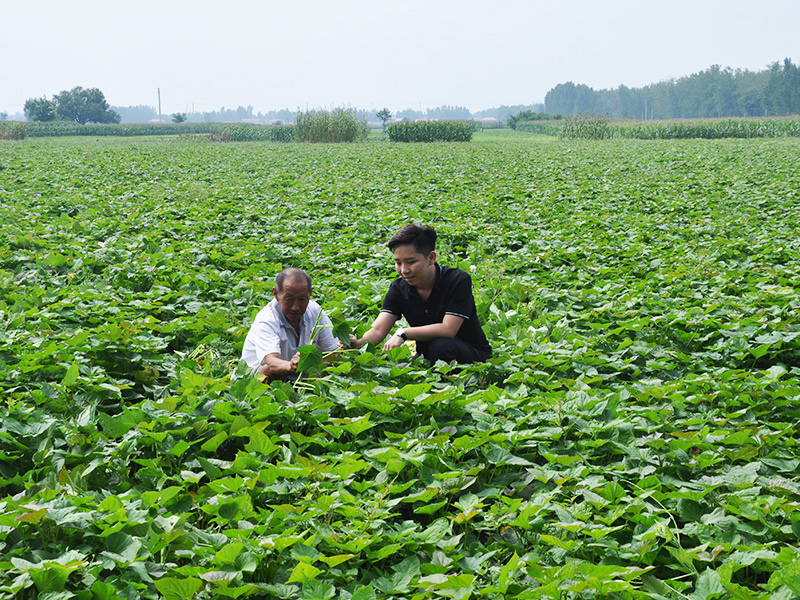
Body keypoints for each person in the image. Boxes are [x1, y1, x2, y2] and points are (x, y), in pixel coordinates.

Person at [349, 224, 491, 364]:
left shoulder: (457, 281)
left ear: (431, 258)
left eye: (410, 262)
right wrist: (358, 343)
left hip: (471, 352)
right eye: (398, 263)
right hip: (427, 355)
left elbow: (448, 329)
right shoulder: (398, 289)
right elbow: (379, 329)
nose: (404, 270)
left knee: (441, 345)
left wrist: (404, 333)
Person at [241, 268, 339, 380]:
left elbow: (333, 352)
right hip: (254, 379)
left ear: (310, 293)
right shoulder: (266, 319)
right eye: (289, 299)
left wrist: (316, 372)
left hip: (302, 377)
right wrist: (292, 366)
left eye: (302, 299)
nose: (295, 307)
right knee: (267, 371)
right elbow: (273, 362)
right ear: (276, 294)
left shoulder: (315, 311)